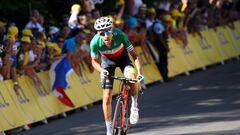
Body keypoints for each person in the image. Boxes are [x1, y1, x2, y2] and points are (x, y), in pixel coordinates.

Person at [90, 16, 144, 135]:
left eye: (108, 31)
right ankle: (109, 130)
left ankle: (135, 104)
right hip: (107, 64)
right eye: (102, 33)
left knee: (132, 77)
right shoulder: (94, 42)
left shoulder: (120, 35)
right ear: (98, 33)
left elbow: (135, 56)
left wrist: (140, 73)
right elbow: (93, 61)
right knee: (107, 96)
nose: (106, 35)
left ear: (112, 29)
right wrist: (101, 71)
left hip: (123, 59)